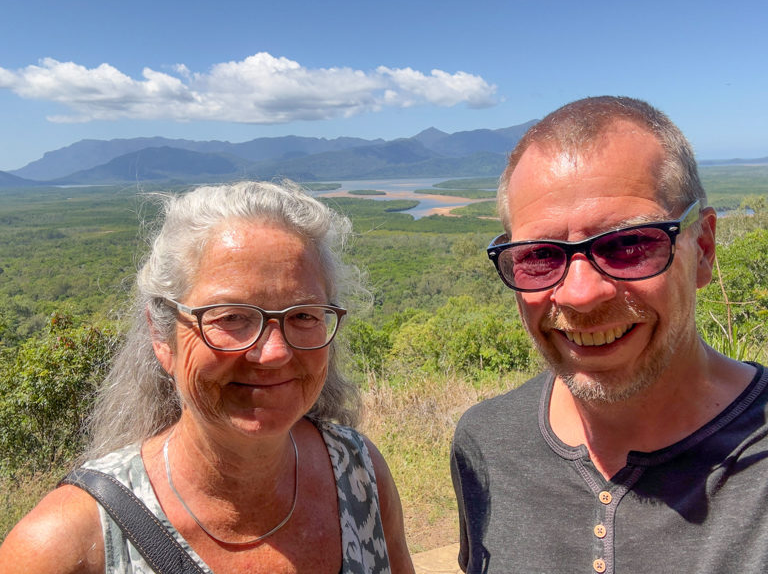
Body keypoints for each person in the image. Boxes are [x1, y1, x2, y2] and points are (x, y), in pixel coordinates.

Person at [0, 180, 415, 574]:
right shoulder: (62, 547)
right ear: (162, 337)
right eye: (232, 317)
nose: (274, 353)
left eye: (303, 315)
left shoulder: (358, 472)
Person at [450, 96, 768, 574]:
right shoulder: (487, 443)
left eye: (629, 244)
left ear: (702, 248)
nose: (580, 294)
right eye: (540, 255)